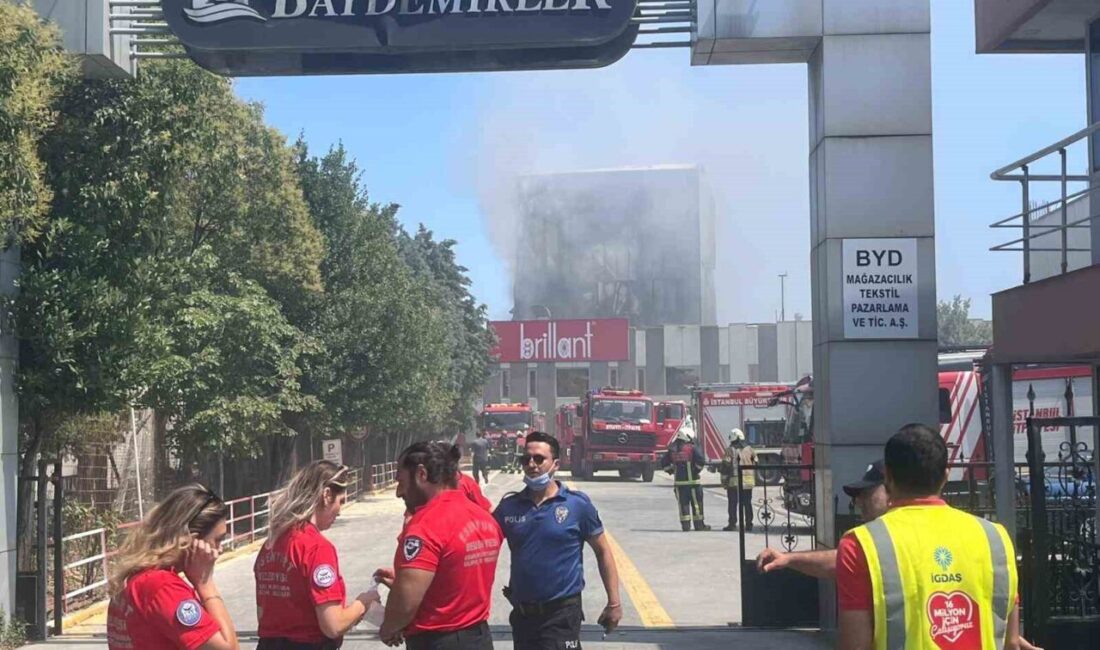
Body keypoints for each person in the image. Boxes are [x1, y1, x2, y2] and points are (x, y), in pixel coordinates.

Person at [837, 424, 1021, 650]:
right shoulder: (995, 538)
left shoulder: (860, 545)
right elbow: (1012, 642)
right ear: (945, 476)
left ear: (889, 478)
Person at [494, 431, 622, 649]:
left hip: (561, 615)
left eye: (539, 459)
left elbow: (603, 552)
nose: (532, 465)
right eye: (526, 459)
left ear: (555, 464)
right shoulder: (509, 507)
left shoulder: (576, 505)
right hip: (523, 617)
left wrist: (614, 602)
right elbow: (483, 544)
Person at [374, 441, 502, 649]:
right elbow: (455, 578)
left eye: (401, 481)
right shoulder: (484, 519)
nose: (399, 492)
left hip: (437, 641)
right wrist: (404, 579)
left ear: (421, 474)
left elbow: (405, 603)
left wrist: (389, 628)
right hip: (479, 637)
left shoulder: (425, 525)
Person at [254, 460, 378, 650]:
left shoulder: (270, 544)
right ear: (327, 495)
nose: (340, 511)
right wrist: (364, 602)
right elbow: (333, 625)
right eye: (340, 501)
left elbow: (263, 612)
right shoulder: (316, 548)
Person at [106, 484, 239, 650]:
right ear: (191, 541)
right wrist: (206, 584)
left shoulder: (133, 579)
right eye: (217, 540)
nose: (220, 549)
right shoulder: (163, 587)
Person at [660, 428, 710, 531]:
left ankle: (685, 526)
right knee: (697, 504)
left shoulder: (672, 449)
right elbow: (701, 460)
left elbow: (664, 463)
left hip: (679, 484)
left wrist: (672, 471)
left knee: (683, 504)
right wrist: (696, 471)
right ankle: (699, 525)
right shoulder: (691, 448)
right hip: (693, 483)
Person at [720, 429, 757, 531]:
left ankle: (732, 524)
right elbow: (756, 463)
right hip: (748, 482)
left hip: (734, 482)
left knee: (733, 503)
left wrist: (723, 481)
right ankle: (749, 524)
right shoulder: (750, 449)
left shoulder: (730, 450)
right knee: (747, 503)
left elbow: (725, 466)